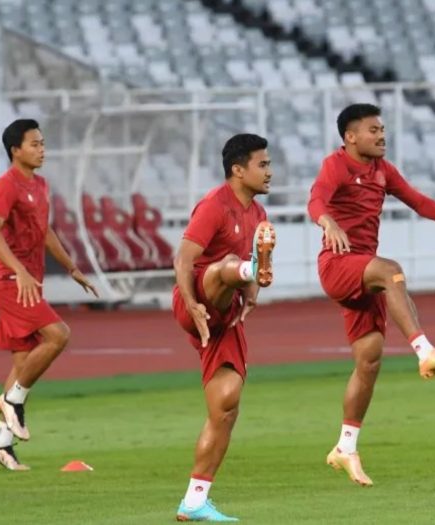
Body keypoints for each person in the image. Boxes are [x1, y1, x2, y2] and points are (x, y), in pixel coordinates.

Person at [308, 103, 435, 487]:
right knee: (391, 271)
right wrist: (327, 221)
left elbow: (418, 201)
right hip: (339, 265)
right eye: (373, 130)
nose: (381, 135)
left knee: (369, 360)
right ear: (351, 137)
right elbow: (317, 200)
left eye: (382, 129)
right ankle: (425, 351)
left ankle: (345, 447)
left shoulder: (382, 171)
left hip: (364, 273)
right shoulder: (336, 165)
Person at [0, 119, 98, 471]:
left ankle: (1, 445)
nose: (41, 149)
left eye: (43, 143)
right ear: (15, 150)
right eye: (34, 144)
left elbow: (44, 232)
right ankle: (12, 401)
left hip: (28, 280)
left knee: (22, 363)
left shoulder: (40, 185)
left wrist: (72, 268)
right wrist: (18, 270)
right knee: (58, 334)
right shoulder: (6, 185)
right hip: (9, 280)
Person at [172, 133, 276, 521]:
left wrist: (251, 292)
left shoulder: (259, 216)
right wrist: (191, 303)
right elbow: (183, 259)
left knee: (226, 405)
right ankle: (249, 267)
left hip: (226, 313)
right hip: (198, 298)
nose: (270, 172)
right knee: (224, 266)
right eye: (262, 164)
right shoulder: (215, 205)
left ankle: (195, 500)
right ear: (238, 169)